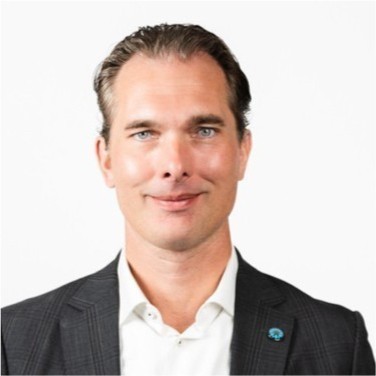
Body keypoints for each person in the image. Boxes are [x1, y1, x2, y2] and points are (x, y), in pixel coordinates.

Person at [1, 23, 374, 376]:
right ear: (107, 159)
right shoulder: (14, 342)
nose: (175, 165)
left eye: (204, 130)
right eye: (145, 133)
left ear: (242, 151)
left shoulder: (337, 344)